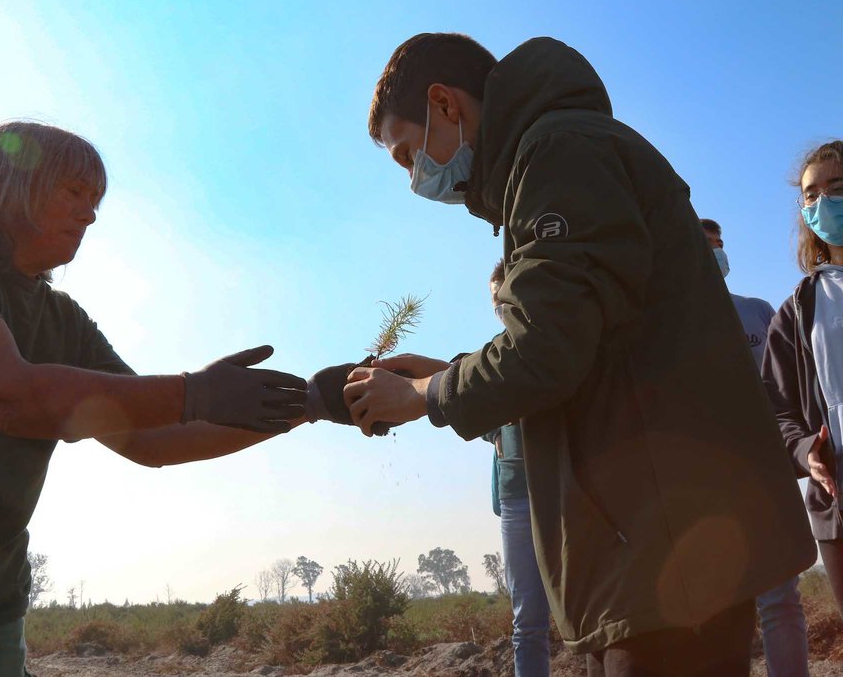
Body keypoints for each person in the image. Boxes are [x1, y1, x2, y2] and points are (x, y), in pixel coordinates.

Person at [342, 33, 815, 676]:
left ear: (445, 105)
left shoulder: (557, 153)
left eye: (406, 155)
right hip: (645, 546)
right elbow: (585, 347)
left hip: (666, 548)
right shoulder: (551, 157)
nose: (414, 178)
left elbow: (548, 350)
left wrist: (425, 396)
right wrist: (450, 374)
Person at [0, 121, 310, 674]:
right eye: (74, 192)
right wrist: (193, 391)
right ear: (7, 183)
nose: (91, 214)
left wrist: (309, 403)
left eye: (96, 200)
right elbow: (5, 396)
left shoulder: (64, 321)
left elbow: (153, 438)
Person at [701, 218, 810, 677]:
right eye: (704, 245)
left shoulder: (759, 313)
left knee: (780, 600)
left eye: (720, 244)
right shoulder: (663, 326)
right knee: (716, 610)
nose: (716, 252)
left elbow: (788, 389)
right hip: (704, 484)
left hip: (766, 473)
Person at [763, 139, 843, 618]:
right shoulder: (798, 309)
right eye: (811, 195)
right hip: (835, 500)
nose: (822, 202)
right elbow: (778, 409)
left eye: (836, 187)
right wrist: (803, 450)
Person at [484, 262, 551, 677]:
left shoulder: (553, 342)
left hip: (563, 488)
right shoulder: (492, 353)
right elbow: (480, 410)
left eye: (502, 295)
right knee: (527, 620)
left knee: (587, 610)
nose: (498, 305)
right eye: (493, 299)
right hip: (516, 494)